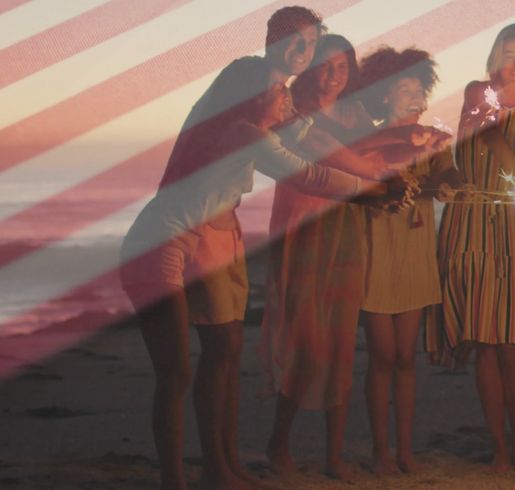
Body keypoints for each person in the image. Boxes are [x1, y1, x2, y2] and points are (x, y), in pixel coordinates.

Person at [120, 53, 386, 490]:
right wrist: (368, 188)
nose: (286, 94)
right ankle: (173, 480)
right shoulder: (239, 133)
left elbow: (301, 138)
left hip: (202, 240)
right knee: (176, 372)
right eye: (277, 90)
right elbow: (308, 176)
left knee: (223, 347)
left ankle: (219, 468)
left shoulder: (254, 129)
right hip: (159, 244)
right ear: (249, 98)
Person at [260, 34, 388, 481]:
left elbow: (380, 155)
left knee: (341, 341)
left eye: (342, 67)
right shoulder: (292, 111)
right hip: (303, 226)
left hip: (348, 226)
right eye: (326, 66)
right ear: (310, 68)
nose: (334, 75)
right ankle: (279, 443)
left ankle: (334, 454)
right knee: (306, 343)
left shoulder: (356, 113)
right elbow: (331, 158)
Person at [431, 23, 515, 471]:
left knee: (510, 342)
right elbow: (487, 134)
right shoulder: (476, 92)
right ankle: (500, 447)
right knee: (484, 342)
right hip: (466, 227)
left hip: (508, 229)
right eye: (511, 54)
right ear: (497, 58)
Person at [352, 46, 458, 475]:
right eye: (403, 88)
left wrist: (447, 185)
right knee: (382, 355)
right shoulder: (368, 139)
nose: (413, 95)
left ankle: (405, 449)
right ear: (384, 95)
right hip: (377, 245)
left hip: (414, 247)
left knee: (406, 357)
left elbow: (448, 173)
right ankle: (380, 450)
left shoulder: (433, 139)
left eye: (418, 87)